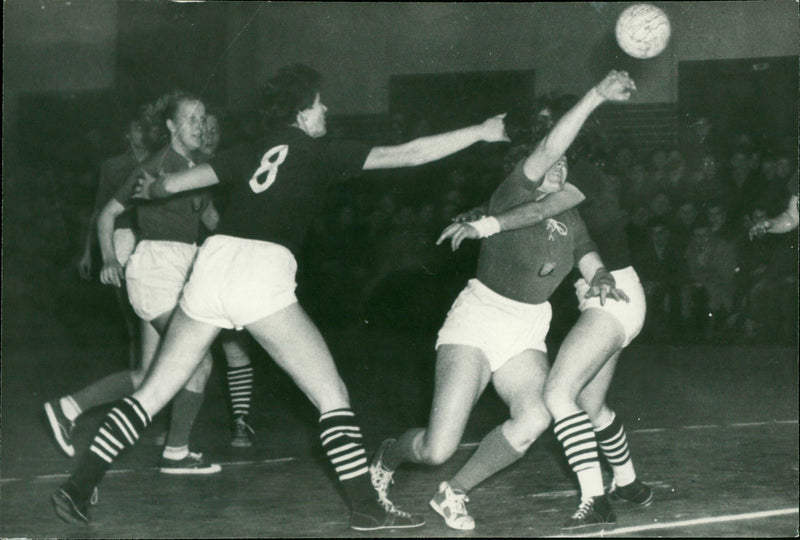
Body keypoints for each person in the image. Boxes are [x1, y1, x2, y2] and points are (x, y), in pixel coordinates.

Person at [51, 63, 510, 531]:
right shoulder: (319, 151)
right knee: (331, 396)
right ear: (302, 112)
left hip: (212, 264)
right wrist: (480, 131)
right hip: (260, 271)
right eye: (318, 102)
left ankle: (79, 487)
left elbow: (170, 184)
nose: (325, 108)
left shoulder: (248, 150)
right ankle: (366, 509)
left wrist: (155, 186)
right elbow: (410, 154)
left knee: (152, 392)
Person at [368, 71, 635, 532]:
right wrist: (595, 95)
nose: (559, 164)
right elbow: (549, 149)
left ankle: (455, 492)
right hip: (478, 319)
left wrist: (602, 278)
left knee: (535, 416)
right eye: (552, 159)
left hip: (527, 327)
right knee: (437, 449)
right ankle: (389, 454)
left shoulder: (569, 215)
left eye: (566, 164)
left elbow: (588, 256)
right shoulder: (514, 192)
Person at [45, 90, 221, 475]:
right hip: (157, 270)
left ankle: (68, 407)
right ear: (171, 125)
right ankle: (176, 452)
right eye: (190, 119)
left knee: (148, 374)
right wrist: (108, 257)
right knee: (197, 362)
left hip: (178, 269)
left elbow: (211, 222)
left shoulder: (195, 167)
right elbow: (107, 214)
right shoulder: (158, 166)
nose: (200, 126)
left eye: (203, 118)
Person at [75, 115, 153, 370]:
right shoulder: (113, 165)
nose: (142, 133)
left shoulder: (160, 160)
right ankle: (136, 380)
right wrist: (87, 253)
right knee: (133, 317)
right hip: (122, 236)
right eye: (136, 128)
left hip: (152, 238)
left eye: (145, 128)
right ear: (128, 135)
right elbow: (100, 210)